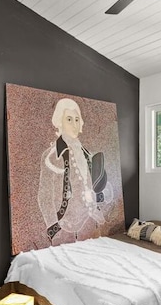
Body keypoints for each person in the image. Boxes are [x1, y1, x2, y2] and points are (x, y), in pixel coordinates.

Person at [38, 98, 111, 243]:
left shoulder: (87, 153)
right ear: (60, 122)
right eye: (69, 119)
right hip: (67, 225)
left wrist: (99, 199)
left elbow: (100, 185)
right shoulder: (52, 156)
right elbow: (45, 194)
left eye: (77, 120)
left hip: (92, 221)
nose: (74, 125)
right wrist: (53, 226)